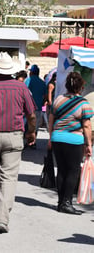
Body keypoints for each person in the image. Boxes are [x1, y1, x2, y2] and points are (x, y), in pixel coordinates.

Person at [0, 52, 36, 233]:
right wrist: (32, 132)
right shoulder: (21, 88)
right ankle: (1, 217)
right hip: (14, 135)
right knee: (8, 177)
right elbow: (31, 114)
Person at [48, 72, 93, 215]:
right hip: (74, 140)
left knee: (61, 170)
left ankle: (61, 202)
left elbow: (51, 120)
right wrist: (89, 144)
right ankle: (67, 203)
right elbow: (86, 126)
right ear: (81, 88)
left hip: (57, 138)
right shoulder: (84, 104)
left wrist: (51, 136)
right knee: (73, 171)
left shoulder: (58, 100)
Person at [25, 65, 47, 143]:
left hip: (28, 108)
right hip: (38, 108)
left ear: (31, 72)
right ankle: (33, 142)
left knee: (27, 125)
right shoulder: (42, 82)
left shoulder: (28, 80)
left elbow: (24, 93)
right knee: (35, 126)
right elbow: (45, 96)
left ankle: (27, 141)